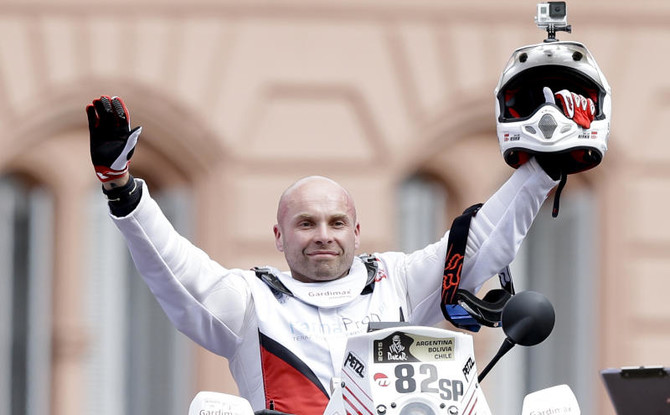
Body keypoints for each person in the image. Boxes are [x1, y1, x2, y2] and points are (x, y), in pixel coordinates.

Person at [86, 95, 564, 415]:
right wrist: (120, 185)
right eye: (305, 223)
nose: (322, 236)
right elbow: (173, 269)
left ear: (356, 232)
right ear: (279, 235)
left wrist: (545, 166)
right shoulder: (250, 300)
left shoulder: (396, 280)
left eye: (336, 223)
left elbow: (478, 242)